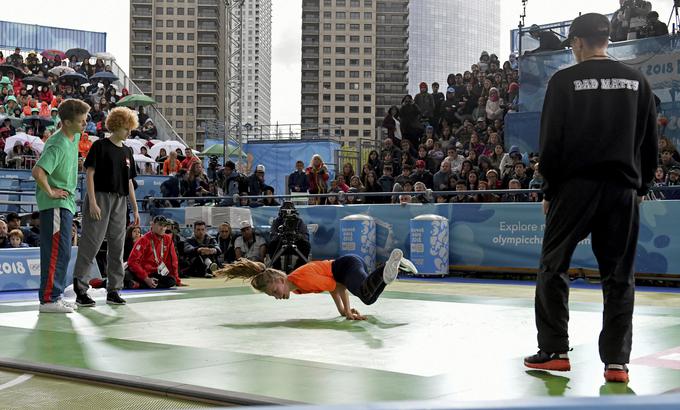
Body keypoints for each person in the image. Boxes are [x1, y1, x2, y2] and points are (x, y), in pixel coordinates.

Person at [523, 14, 658, 384]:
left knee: (554, 266)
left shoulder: (564, 81)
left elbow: (551, 142)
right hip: (622, 190)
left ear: (578, 42)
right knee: (619, 276)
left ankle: (554, 352)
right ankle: (617, 363)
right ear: (607, 40)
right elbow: (649, 143)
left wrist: (549, 190)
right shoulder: (637, 81)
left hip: (574, 188)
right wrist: (640, 186)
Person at [215, 249, 417, 320]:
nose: (276, 297)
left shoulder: (300, 280)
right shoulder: (297, 287)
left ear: (279, 280)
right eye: (272, 296)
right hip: (343, 270)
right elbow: (333, 287)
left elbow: (336, 286)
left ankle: (385, 269)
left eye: (274, 292)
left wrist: (345, 310)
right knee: (369, 298)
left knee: (364, 294)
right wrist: (343, 311)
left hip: (345, 266)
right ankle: (393, 270)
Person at [72, 107, 140, 308]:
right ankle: (80, 289)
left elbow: (129, 182)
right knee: (91, 243)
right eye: (128, 128)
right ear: (118, 125)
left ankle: (114, 289)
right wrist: (92, 201)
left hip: (120, 201)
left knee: (117, 246)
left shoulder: (128, 151)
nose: (130, 132)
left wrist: (135, 208)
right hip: (100, 198)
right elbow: (90, 174)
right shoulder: (100, 146)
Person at [33, 99, 90, 313]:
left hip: (65, 204)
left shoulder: (73, 137)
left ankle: (54, 295)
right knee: (56, 251)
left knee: (64, 251)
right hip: (55, 205)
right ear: (66, 122)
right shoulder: (57, 144)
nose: (85, 124)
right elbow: (38, 172)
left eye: (85, 120)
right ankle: (48, 300)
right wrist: (51, 191)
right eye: (81, 121)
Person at [125, 215, 180, 289]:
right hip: (140, 272)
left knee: (172, 281)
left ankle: (138, 285)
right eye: (160, 225)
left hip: (155, 273)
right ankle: (139, 283)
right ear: (152, 224)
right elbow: (132, 262)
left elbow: (172, 261)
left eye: (165, 226)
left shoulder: (168, 239)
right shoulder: (143, 240)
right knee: (125, 275)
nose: (163, 228)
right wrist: (146, 278)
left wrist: (177, 279)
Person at [268, 202, 311, 272]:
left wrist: (298, 236)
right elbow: (272, 235)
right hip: (281, 243)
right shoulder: (276, 221)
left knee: (305, 246)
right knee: (272, 245)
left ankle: (297, 270)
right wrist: (280, 235)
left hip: (296, 243)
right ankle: (277, 270)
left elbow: (305, 236)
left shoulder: (299, 221)